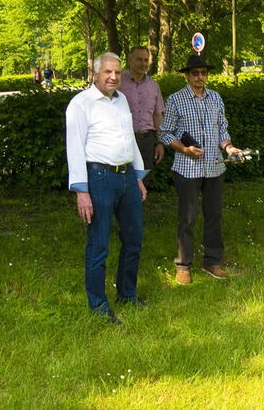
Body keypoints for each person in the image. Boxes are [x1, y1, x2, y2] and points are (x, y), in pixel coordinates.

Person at [65, 52, 148, 325]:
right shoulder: (81, 104)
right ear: (95, 74)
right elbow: (74, 148)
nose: (113, 77)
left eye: (117, 72)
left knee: (133, 240)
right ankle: (98, 305)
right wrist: (81, 191)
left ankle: (127, 294)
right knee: (99, 244)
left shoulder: (121, 99)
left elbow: (129, 140)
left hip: (127, 178)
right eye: (107, 73)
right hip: (99, 179)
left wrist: (138, 176)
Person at [159, 54, 241, 285]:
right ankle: (183, 265)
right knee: (187, 217)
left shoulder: (216, 98)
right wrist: (184, 149)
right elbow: (164, 133)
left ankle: (212, 261)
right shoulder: (176, 99)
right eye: (195, 73)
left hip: (214, 167)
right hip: (187, 168)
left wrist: (229, 147)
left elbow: (222, 129)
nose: (199, 77)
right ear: (187, 75)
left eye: (203, 73)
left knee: (214, 215)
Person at [119, 46, 165, 180]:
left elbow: (157, 116)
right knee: (123, 181)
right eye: (139, 59)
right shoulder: (119, 83)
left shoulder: (153, 86)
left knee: (143, 183)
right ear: (129, 60)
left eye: (146, 60)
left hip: (147, 142)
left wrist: (160, 143)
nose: (143, 63)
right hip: (123, 141)